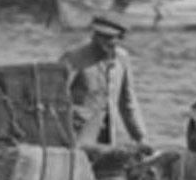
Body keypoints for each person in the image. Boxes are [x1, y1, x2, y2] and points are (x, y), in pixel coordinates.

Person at [63, 8, 148, 150]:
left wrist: (141, 138)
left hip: (107, 135)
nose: (103, 41)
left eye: (110, 38)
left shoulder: (122, 59)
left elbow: (128, 104)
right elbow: (55, 99)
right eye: (99, 36)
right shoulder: (74, 58)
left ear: (120, 38)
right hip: (78, 135)